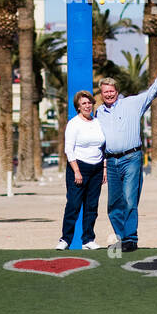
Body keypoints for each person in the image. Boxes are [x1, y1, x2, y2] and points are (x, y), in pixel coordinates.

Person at [95, 40, 157, 252]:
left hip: (131, 158)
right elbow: (98, 142)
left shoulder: (132, 103)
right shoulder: (99, 113)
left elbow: (153, 91)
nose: (109, 95)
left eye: (111, 91)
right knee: (114, 203)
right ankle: (121, 237)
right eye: (105, 92)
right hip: (111, 161)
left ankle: (131, 238)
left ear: (117, 90)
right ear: (101, 94)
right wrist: (103, 165)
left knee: (130, 199)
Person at [59, 90, 106, 250]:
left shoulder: (98, 122)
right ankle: (65, 239)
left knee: (92, 206)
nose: (87, 106)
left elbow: (104, 146)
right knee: (73, 204)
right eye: (83, 104)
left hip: (97, 169)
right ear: (78, 107)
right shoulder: (73, 124)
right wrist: (77, 171)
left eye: (89, 103)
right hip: (78, 168)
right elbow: (68, 149)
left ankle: (88, 240)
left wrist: (104, 168)